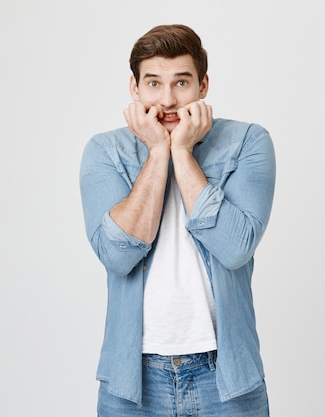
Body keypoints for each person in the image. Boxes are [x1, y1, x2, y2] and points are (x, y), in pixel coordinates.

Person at [79, 24, 276, 416]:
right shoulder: (105, 151)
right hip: (132, 379)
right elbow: (118, 256)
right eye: (153, 83)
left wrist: (183, 151)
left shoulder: (248, 142)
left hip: (225, 376)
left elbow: (236, 248)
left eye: (181, 82)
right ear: (134, 89)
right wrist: (157, 152)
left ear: (203, 85)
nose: (167, 99)